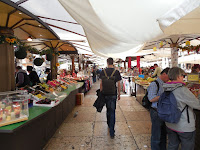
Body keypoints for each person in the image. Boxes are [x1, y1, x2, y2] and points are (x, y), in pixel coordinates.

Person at [163, 67, 200, 150]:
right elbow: (197, 105)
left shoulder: (165, 88)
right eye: (183, 75)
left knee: (172, 145)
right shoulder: (182, 90)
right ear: (179, 76)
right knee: (187, 146)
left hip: (170, 123)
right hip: (184, 126)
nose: (183, 77)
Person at [147, 67, 170, 150]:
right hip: (156, 112)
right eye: (169, 76)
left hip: (163, 112)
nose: (169, 79)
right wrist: (164, 96)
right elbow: (151, 99)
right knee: (156, 135)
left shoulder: (164, 83)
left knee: (163, 135)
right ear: (164, 74)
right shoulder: (154, 84)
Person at [100, 57, 122, 139]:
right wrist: (119, 93)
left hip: (105, 93)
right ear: (113, 63)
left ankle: (109, 125)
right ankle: (112, 131)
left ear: (107, 62)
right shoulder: (116, 72)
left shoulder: (103, 71)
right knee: (112, 111)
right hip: (113, 94)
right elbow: (119, 84)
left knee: (108, 110)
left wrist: (101, 93)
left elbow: (101, 84)